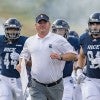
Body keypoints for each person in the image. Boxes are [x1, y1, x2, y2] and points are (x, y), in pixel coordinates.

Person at [16, 13, 78, 100]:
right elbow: (24, 55)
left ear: (49, 24)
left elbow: (74, 55)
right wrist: (20, 63)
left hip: (56, 85)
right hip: (36, 85)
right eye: (40, 23)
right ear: (35, 25)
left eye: (44, 22)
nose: (42, 25)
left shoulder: (59, 39)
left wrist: (60, 57)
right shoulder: (30, 41)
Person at [52, 19, 80, 100]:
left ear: (66, 31)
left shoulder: (73, 41)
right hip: (52, 80)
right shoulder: (47, 42)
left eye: (61, 30)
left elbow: (83, 53)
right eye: (56, 30)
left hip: (66, 79)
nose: (59, 33)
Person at [0, 18, 28, 100]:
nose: (12, 32)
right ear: (5, 29)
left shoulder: (25, 41)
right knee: (5, 97)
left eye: (14, 29)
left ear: (19, 30)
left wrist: (20, 58)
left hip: (19, 79)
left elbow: (34, 60)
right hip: (4, 79)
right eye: (10, 29)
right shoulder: (1, 40)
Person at [76, 12, 100, 100]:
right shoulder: (84, 38)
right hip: (91, 80)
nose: (94, 26)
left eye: (97, 24)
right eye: (92, 24)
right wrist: (79, 70)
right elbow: (82, 56)